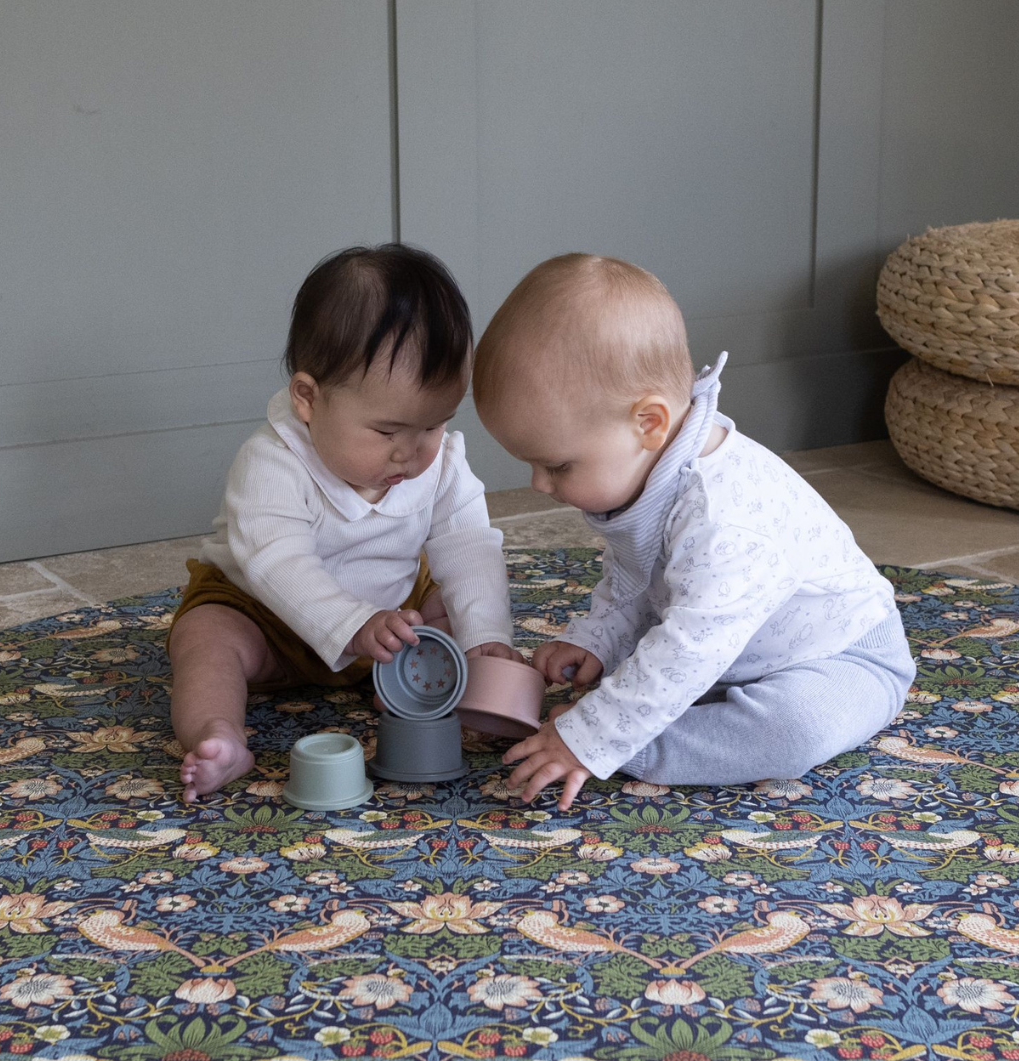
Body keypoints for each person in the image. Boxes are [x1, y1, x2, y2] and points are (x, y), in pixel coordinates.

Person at [471, 253, 914, 807]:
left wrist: (593, 737)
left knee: (796, 730)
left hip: (838, 657)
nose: (539, 484)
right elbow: (635, 577)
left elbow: (689, 645)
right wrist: (599, 638)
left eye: (558, 466)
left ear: (649, 423)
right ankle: (649, 714)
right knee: (670, 656)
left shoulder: (725, 517)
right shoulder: (650, 468)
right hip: (724, 649)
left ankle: (644, 746)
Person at [168, 244, 515, 801]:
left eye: (434, 425)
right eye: (387, 432)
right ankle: (219, 734)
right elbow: (276, 562)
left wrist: (486, 637)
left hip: (391, 622)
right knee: (205, 639)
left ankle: (416, 690)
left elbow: (470, 544)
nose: (413, 452)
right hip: (268, 618)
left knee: (453, 607)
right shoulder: (271, 462)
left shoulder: (442, 460)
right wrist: (351, 623)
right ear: (308, 399)